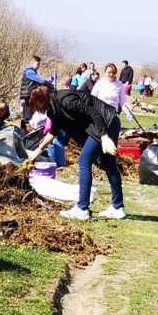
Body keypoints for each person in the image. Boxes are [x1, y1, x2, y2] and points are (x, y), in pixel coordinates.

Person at [27, 85, 125, 220]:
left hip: (106, 123)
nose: (36, 110)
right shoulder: (53, 109)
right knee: (109, 165)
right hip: (104, 125)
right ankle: (118, 207)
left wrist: (104, 137)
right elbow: (54, 130)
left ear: (40, 100)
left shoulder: (65, 100)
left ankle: (82, 208)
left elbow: (93, 113)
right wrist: (38, 150)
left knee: (84, 161)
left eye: (35, 105)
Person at [19, 55, 53, 131]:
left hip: (30, 98)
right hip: (26, 98)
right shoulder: (29, 72)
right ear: (31, 63)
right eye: (37, 64)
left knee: (30, 116)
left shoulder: (32, 72)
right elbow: (41, 81)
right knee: (27, 118)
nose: (39, 66)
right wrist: (51, 86)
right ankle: (24, 135)